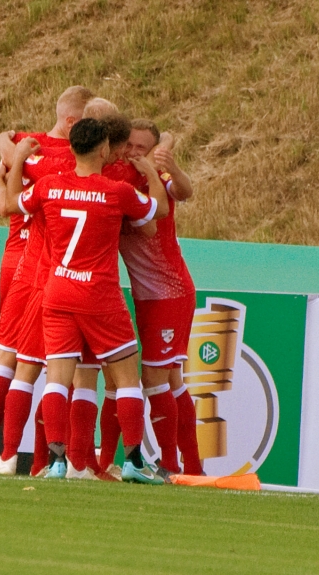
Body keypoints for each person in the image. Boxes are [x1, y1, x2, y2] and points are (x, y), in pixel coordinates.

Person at [0, 118, 168, 483]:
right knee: (127, 379)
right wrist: (150, 171)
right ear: (104, 150)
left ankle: (57, 463)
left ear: (71, 148)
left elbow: (10, 203)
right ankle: (134, 460)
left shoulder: (50, 186)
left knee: (56, 380)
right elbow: (159, 211)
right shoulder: (116, 191)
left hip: (57, 292)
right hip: (100, 296)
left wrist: (20, 161)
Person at [0, 86, 93, 470]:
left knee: (16, 358)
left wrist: (4, 153)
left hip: (22, 259)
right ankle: (24, 456)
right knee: (45, 365)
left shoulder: (26, 146)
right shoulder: (75, 156)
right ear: (74, 122)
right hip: (37, 263)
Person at [119, 119, 202, 477]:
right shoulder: (120, 178)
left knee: (154, 378)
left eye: (143, 147)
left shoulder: (158, 180)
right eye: (131, 146)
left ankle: (170, 464)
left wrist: (169, 162)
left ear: (153, 151)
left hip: (169, 292)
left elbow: (184, 191)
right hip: (148, 295)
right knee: (171, 380)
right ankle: (192, 466)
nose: (135, 153)